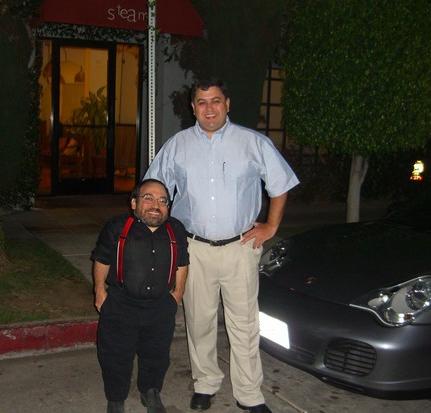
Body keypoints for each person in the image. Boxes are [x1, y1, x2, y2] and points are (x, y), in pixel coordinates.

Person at [144, 77, 299, 413]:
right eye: (201, 102)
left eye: (215, 101)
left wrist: (271, 225)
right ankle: (205, 383)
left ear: (227, 104)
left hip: (240, 248)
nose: (209, 108)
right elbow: (154, 189)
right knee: (199, 321)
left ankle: (249, 394)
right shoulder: (177, 146)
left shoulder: (252, 143)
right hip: (194, 249)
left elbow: (281, 183)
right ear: (193, 108)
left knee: (244, 324)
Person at [92, 179, 190, 413]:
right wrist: (99, 292)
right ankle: (116, 398)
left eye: (162, 200)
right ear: (134, 203)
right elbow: (102, 259)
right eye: (149, 198)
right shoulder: (118, 227)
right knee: (115, 356)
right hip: (121, 304)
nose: (156, 205)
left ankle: (150, 391)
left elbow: (182, 263)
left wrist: (177, 294)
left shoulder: (176, 229)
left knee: (157, 355)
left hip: (160, 306)